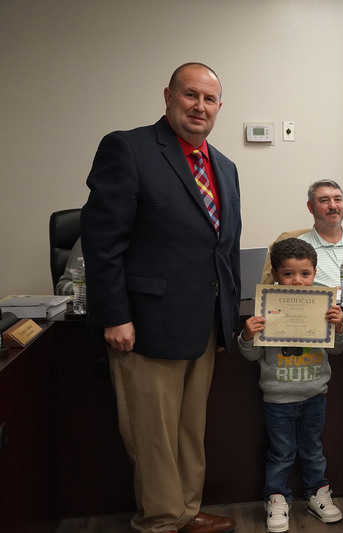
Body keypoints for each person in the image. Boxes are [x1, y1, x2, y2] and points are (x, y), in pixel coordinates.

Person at [81, 62, 241, 533]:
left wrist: (225, 319)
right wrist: (114, 316)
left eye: (209, 99)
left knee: (190, 430)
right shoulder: (127, 149)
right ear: (168, 96)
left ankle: (186, 510)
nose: (200, 106)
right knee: (152, 435)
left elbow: (224, 249)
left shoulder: (224, 166)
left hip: (203, 324)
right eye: (190, 95)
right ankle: (159, 519)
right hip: (145, 324)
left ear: (218, 107)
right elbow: (102, 242)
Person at [238, 238, 343, 533]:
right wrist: (247, 335)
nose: (297, 281)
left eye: (304, 274)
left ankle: (317, 493)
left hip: (315, 393)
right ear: (275, 274)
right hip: (278, 397)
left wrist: (339, 327)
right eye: (288, 274)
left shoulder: (325, 305)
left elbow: (338, 349)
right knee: (281, 451)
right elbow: (249, 355)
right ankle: (276, 498)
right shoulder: (265, 307)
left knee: (313, 449)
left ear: (314, 272)